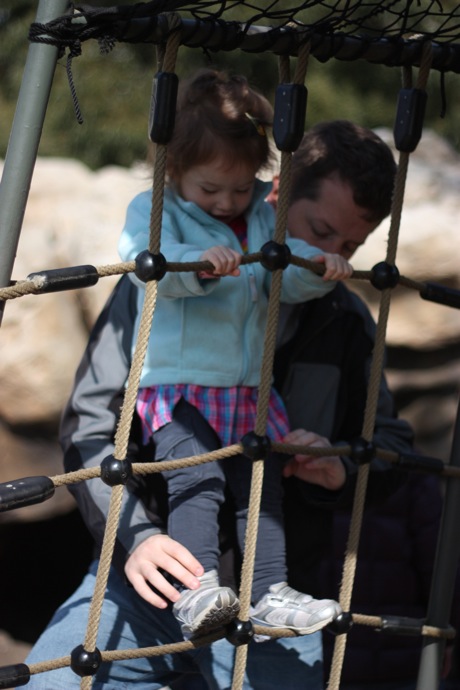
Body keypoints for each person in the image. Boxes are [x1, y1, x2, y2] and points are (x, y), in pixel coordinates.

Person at [24, 119, 414, 690]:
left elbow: (394, 449)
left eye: (349, 248)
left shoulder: (347, 322)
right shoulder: (168, 282)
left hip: (276, 597)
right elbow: (90, 425)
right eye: (319, 231)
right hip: (148, 578)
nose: (326, 258)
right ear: (274, 199)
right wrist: (135, 537)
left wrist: (341, 466)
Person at [117, 68, 352, 640]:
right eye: (210, 190)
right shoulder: (155, 209)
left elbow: (284, 272)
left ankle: (269, 590)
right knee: (197, 481)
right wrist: (197, 263)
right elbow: (144, 263)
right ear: (175, 172)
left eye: (241, 189)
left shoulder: (259, 220)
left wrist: (317, 270)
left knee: (261, 488)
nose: (226, 203)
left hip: (247, 388)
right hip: (178, 383)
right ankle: (197, 590)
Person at [318, 473, 460, 690]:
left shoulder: (305, 460)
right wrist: (447, 637)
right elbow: (437, 566)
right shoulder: (411, 471)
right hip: (404, 648)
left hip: (325, 648)